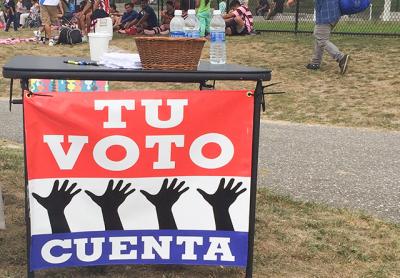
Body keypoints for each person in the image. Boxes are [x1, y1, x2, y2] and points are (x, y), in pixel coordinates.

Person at [287, 0, 350, 74]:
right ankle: (315, 63)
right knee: (319, 36)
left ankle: (341, 58)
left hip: (326, 14)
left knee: (321, 38)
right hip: (333, 12)